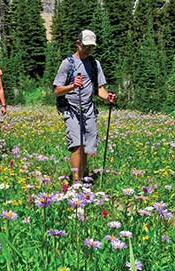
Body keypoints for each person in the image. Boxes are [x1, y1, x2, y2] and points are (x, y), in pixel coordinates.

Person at [53, 29, 116, 183]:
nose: (88, 50)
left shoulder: (95, 64)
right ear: (78, 44)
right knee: (77, 144)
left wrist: (107, 97)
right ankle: (76, 182)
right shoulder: (67, 63)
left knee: (87, 147)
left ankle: (82, 177)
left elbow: (100, 89)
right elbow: (57, 90)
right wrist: (72, 86)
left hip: (89, 110)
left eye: (91, 47)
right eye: (85, 46)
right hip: (71, 109)